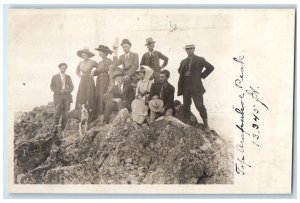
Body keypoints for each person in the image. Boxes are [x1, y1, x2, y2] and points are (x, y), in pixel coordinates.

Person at [177, 44, 214, 130]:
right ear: (185, 50)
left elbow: (210, 67)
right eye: (187, 49)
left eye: (191, 49)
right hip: (185, 87)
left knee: (200, 105)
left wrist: (200, 75)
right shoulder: (183, 61)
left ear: (194, 49)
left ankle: (206, 124)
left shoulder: (200, 59)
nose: (189, 50)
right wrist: (186, 75)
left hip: (196, 87)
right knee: (186, 106)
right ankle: (188, 123)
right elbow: (180, 70)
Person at [50, 63, 74, 133]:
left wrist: (67, 90)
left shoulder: (68, 77)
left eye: (65, 68)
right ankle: (56, 129)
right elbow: (52, 87)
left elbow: (72, 87)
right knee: (57, 112)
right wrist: (59, 91)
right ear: (60, 68)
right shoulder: (55, 77)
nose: (64, 69)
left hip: (67, 96)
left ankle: (63, 129)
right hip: (58, 96)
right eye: (62, 68)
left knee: (65, 113)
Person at [75, 47, 98, 114]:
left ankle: (90, 109)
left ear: (88, 55)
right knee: (82, 93)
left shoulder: (92, 62)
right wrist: (79, 75)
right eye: (82, 55)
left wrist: (94, 72)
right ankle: (81, 109)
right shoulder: (80, 62)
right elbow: (77, 70)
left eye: (85, 55)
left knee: (89, 93)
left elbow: (99, 67)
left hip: (89, 79)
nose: (84, 56)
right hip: (83, 79)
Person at [94, 45, 113, 115]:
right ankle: (98, 111)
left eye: (101, 52)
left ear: (105, 53)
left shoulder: (109, 60)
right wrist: (93, 72)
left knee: (104, 92)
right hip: (99, 79)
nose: (100, 54)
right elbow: (96, 71)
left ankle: (104, 110)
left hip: (105, 78)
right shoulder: (99, 62)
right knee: (98, 93)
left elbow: (112, 70)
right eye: (99, 52)